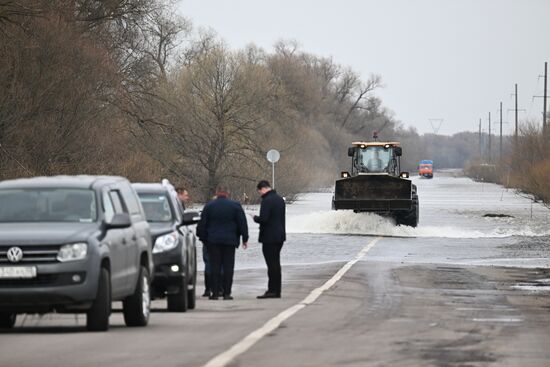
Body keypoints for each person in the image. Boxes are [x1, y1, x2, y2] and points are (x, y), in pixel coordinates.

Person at [197, 185, 248, 300]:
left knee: (215, 266)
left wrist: (204, 239)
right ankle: (227, 293)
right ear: (228, 193)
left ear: (216, 192)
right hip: (230, 241)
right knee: (228, 267)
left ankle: (214, 293)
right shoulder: (235, 206)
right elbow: (242, 223)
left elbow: (202, 225)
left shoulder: (209, 206)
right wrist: (245, 238)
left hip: (213, 241)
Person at [253, 180, 286, 299]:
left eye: (259, 192)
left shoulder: (267, 201)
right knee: (276, 264)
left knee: (271, 265)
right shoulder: (279, 200)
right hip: (280, 236)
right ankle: (277, 290)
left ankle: (271, 290)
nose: (260, 194)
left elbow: (264, 219)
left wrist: (254, 217)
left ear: (262, 189)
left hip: (269, 237)